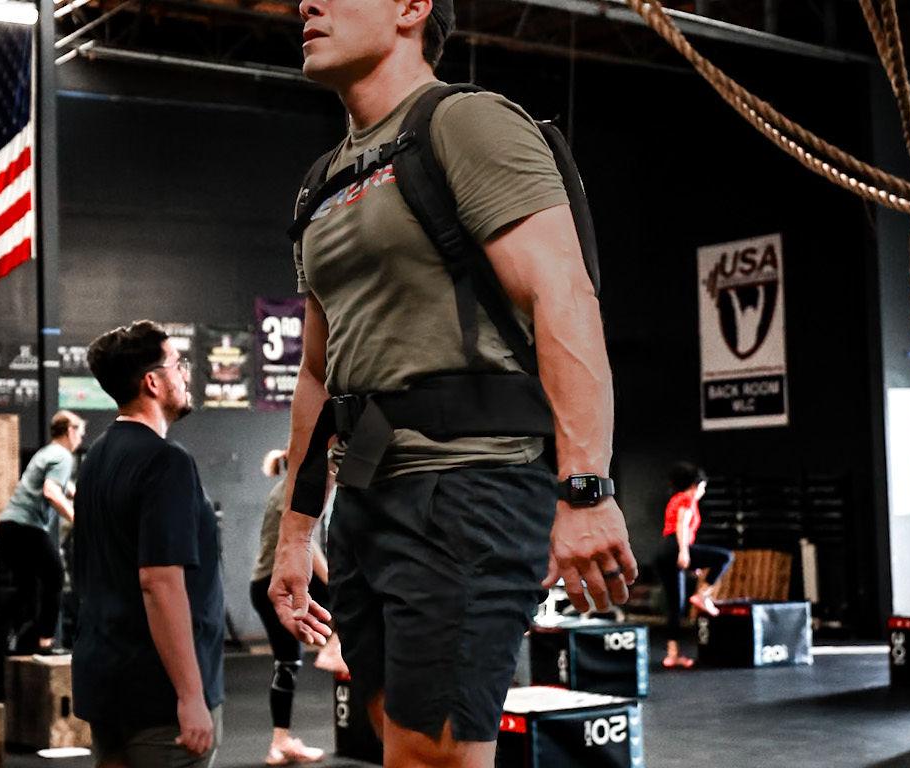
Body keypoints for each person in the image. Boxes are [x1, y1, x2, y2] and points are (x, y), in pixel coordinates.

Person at [267, 0, 636, 764]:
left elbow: (563, 296)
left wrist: (584, 489)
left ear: (411, 7)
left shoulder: (466, 123)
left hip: (470, 486)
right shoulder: (321, 183)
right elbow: (316, 373)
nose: (306, 3)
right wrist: (295, 536)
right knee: (390, 735)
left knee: (434, 751)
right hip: (366, 497)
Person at [72, 320, 224, 768]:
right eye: (178, 364)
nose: (186, 374)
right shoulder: (167, 461)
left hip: (107, 686)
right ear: (152, 382)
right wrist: (191, 695)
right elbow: (159, 582)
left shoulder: (95, 459)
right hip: (160, 697)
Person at [248, 449, 333, 766]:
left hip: (270, 582)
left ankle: (280, 742)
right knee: (288, 660)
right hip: (274, 584)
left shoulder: (289, 488)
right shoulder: (295, 491)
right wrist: (334, 583)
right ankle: (336, 646)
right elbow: (305, 545)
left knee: (288, 661)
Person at [0, 409, 85, 654]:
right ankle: (45, 642)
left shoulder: (47, 453)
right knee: (55, 575)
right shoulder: (63, 456)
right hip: (25, 527)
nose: (80, 439)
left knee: (28, 590)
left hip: (9, 527)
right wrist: (78, 519)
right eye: (80, 433)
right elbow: (51, 491)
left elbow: (68, 489)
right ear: (70, 431)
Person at [655, 462, 733, 669]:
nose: (704, 491)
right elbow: (681, 524)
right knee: (725, 556)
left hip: (664, 552)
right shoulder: (687, 499)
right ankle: (703, 595)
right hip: (675, 547)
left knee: (676, 606)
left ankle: (672, 655)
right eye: (703, 487)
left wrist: (690, 561)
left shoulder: (675, 498)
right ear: (695, 485)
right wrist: (684, 551)